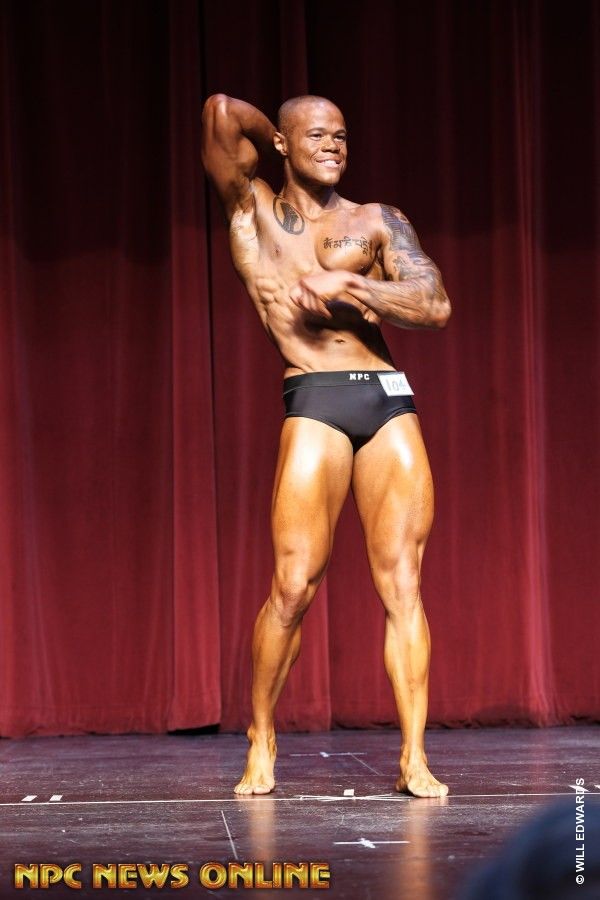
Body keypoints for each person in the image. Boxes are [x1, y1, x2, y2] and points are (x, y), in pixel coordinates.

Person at [201, 93, 451, 798]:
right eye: (316, 135)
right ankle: (262, 735)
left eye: (341, 135)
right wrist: (280, 137)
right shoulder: (253, 210)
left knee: (404, 585)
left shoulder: (376, 221)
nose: (334, 145)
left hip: (387, 399)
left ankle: (413, 757)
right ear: (282, 143)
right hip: (315, 396)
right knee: (293, 585)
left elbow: (434, 304)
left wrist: (352, 286)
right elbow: (221, 113)